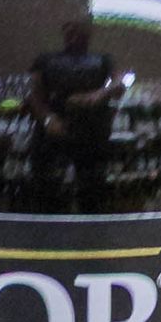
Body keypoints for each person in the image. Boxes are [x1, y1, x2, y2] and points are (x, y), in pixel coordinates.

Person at [28, 19, 117, 209]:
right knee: (48, 190)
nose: (75, 37)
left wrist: (99, 94)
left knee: (92, 189)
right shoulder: (46, 59)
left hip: (92, 132)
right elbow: (34, 95)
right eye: (70, 32)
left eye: (80, 33)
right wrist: (48, 119)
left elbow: (119, 82)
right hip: (54, 129)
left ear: (88, 36)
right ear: (64, 34)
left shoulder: (102, 59)